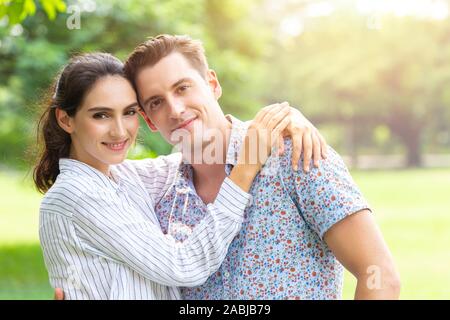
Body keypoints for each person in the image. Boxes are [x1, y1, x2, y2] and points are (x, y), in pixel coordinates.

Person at [119, 34, 401, 299]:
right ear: (149, 120)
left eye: (182, 88)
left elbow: (378, 273)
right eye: (157, 102)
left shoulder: (294, 153)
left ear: (212, 84)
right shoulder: (160, 198)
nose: (176, 109)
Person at [37, 53, 324, 300]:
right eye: (101, 115)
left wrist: (284, 118)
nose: (120, 131)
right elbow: (184, 265)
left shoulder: (122, 177)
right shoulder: (75, 195)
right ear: (66, 119)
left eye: (129, 112)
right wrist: (246, 168)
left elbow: (205, 155)